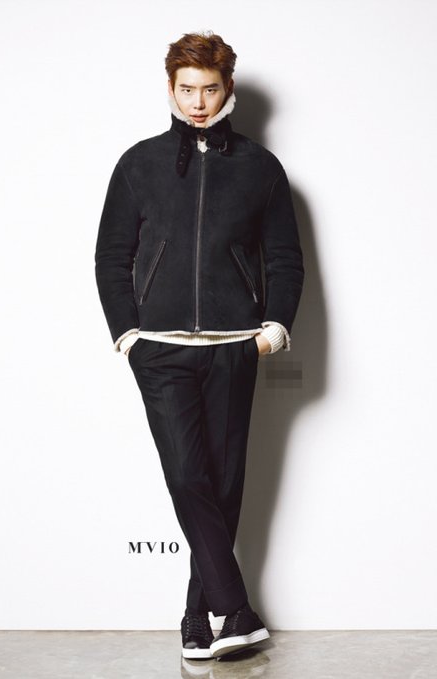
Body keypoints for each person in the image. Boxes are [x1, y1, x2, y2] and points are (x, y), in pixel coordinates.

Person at [94, 31, 304, 660]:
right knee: (188, 476)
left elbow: (286, 259)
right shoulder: (139, 164)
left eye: (209, 89)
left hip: (235, 345)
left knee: (223, 483)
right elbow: (111, 256)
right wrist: (128, 334)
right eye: (187, 89)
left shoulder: (261, 168)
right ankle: (236, 609)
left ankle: (198, 619)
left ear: (227, 88)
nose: (198, 103)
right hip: (159, 348)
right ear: (170, 88)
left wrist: (273, 329)